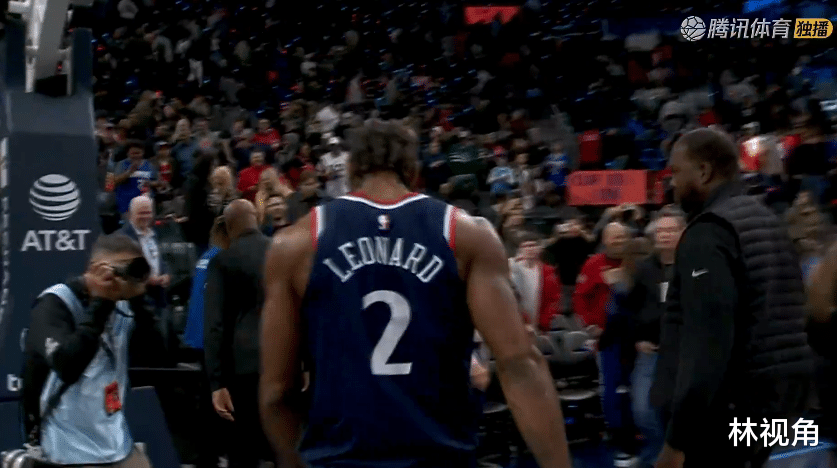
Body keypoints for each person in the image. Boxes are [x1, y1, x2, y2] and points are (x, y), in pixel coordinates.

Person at [258, 119, 571, 468]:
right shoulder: (467, 233)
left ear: (352, 170)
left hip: (339, 458)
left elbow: (276, 393)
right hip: (442, 458)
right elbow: (520, 363)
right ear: (413, 170)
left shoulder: (297, 242)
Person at [654, 128, 814, 468]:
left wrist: (677, 441)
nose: (672, 183)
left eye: (676, 172)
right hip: (786, 402)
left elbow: (708, 344)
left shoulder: (709, 232)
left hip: (734, 406)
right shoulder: (770, 221)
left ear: (703, 171)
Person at [20, 234, 167, 467]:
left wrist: (140, 301)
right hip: (66, 451)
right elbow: (67, 366)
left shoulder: (124, 306)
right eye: (120, 270)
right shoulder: (56, 303)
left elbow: (159, 355)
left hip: (117, 446)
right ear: (95, 268)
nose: (124, 279)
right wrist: (100, 304)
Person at [204, 200, 273, 468]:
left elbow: (214, 324)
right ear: (256, 218)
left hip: (242, 369)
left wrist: (216, 382)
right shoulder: (281, 251)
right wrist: (303, 362)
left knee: (244, 452)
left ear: (228, 225)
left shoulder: (222, 260)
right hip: (282, 361)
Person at [614, 206, 685, 468]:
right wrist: (636, 338)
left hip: (686, 352)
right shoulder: (644, 269)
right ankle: (658, 455)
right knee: (643, 409)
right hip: (652, 351)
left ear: (683, 233)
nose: (664, 235)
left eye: (671, 230)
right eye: (661, 231)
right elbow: (629, 309)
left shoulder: (695, 267)